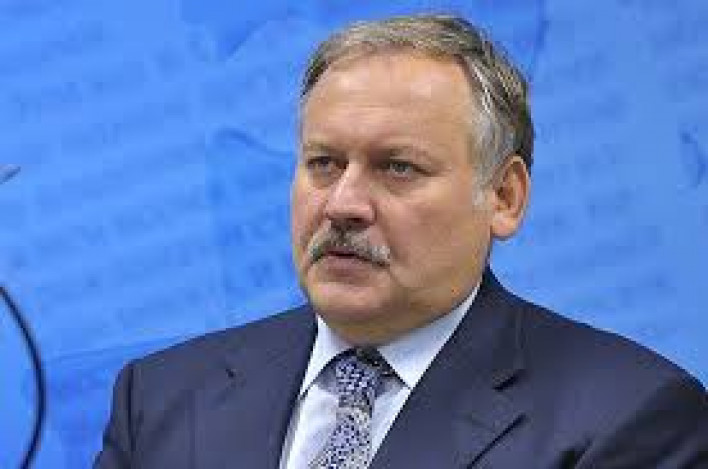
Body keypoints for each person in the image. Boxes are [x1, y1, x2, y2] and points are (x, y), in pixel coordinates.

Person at [95, 15, 708, 468]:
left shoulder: (626, 417)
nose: (342, 205)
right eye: (324, 163)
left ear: (504, 196)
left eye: (398, 168)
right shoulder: (162, 398)